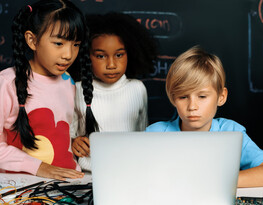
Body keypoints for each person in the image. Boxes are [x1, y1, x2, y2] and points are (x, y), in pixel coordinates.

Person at [146, 46, 263, 187]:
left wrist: (211, 181)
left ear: (221, 97)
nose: (192, 106)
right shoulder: (155, 134)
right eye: (183, 97)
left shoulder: (231, 132)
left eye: (202, 96)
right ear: (173, 99)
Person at [0, 0, 98, 180]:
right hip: (22, 188)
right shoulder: (6, 83)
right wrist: (40, 167)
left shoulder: (68, 81)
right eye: (59, 43)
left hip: (68, 185)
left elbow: (56, 134)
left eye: (75, 44)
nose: (68, 54)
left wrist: (73, 142)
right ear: (32, 40)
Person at [71, 12, 157, 171]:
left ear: (130, 53)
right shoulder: (76, 89)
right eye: (101, 56)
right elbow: (68, 135)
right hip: (88, 174)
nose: (111, 64)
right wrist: (74, 142)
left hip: (131, 170)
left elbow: (144, 135)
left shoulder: (137, 89)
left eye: (119, 55)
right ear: (87, 57)